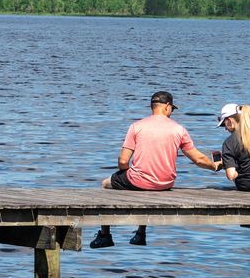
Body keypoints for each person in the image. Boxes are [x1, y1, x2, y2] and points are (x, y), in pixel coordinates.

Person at [90, 90, 219, 248]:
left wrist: (126, 171)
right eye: (172, 109)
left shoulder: (136, 126)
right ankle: (140, 233)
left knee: (106, 184)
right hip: (165, 184)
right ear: (167, 106)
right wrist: (214, 166)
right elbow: (198, 158)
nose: (171, 112)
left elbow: (123, 160)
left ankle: (105, 235)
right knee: (144, 187)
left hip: (138, 181)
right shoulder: (179, 129)